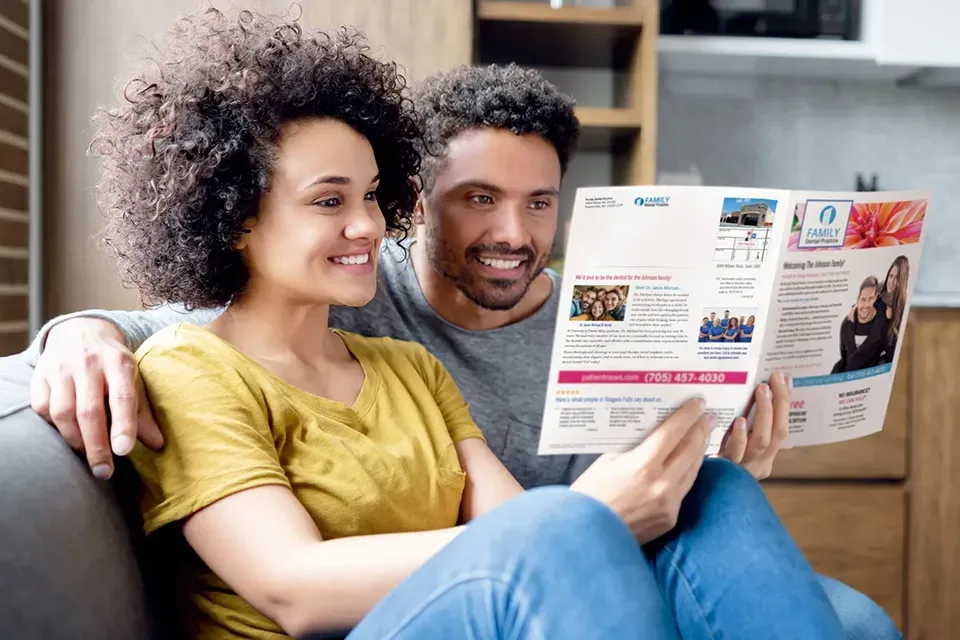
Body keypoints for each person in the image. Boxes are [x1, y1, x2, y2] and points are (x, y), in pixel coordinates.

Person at [21, 43, 900, 640]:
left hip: (482, 603)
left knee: (715, 490)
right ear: (235, 217)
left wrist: (681, 462)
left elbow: (519, 524)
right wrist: (72, 332)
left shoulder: (406, 366)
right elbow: (290, 588)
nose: (367, 225)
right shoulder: (191, 367)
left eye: (368, 198)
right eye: (331, 201)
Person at [832, 276, 890, 374]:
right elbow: (844, 354)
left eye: (871, 298)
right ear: (857, 300)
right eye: (863, 299)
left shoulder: (884, 324)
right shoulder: (847, 324)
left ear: (876, 298)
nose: (867, 304)